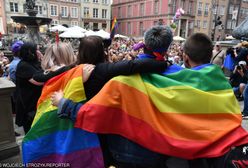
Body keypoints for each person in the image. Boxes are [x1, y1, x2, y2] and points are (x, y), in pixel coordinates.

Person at [54, 32, 248, 167]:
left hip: (129, 154)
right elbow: (229, 121)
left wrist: (64, 104)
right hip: (167, 158)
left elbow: (96, 112)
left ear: (185, 56)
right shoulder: (220, 84)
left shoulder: (126, 80)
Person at [26, 34, 171, 167]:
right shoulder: (103, 70)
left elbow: (40, 77)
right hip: (99, 128)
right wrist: (163, 64)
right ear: (102, 52)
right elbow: (133, 66)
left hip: (76, 124)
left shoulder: (73, 70)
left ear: (80, 52)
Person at [15, 42, 43, 134]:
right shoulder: (24, 65)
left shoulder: (33, 63)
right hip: (28, 107)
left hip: (34, 104)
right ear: (30, 52)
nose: (39, 52)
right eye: (37, 49)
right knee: (32, 134)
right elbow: (39, 81)